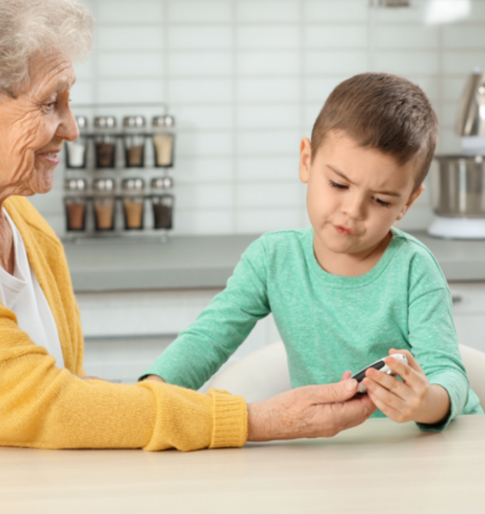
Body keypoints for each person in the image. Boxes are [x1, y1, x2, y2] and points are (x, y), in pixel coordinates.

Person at [0, 0, 376, 451]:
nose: (71, 128)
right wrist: (254, 421)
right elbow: (41, 403)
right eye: (50, 103)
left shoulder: (24, 226)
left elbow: (62, 399)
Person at [143, 73, 483, 430]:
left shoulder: (415, 268)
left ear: (407, 203)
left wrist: (426, 403)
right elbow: (207, 340)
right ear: (306, 160)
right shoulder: (272, 259)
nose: (353, 210)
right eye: (338, 184)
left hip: (431, 450)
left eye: (381, 200)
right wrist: (150, 395)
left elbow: (450, 374)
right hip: (331, 453)